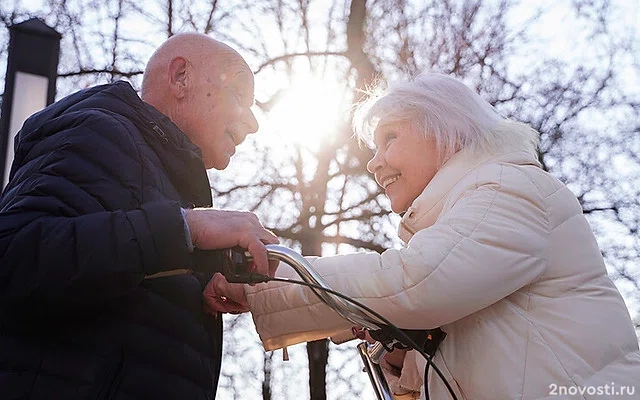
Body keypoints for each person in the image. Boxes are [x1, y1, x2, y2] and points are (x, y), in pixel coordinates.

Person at [207, 73, 640, 399]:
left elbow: (417, 281)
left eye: (389, 139)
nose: (374, 164)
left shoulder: (507, 186)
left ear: (445, 129)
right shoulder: (467, 217)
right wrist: (400, 357)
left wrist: (273, 278)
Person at [0, 33, 278, 399]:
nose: (253, 124)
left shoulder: (162, 180)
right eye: (239, 95)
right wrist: (186, 231)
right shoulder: (99, 132)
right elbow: (12, 256)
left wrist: (204, 277)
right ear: (181, 77)